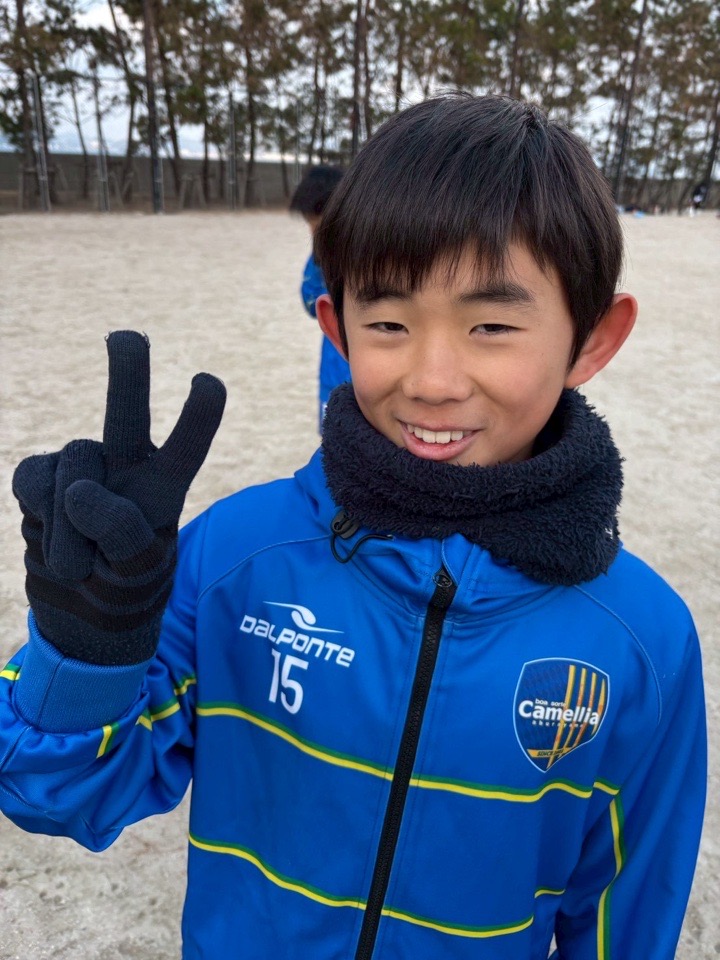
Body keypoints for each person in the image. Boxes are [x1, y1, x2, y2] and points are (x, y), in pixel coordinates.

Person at [0, 95, 706, 960]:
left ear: (592, 339)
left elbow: (625, 920)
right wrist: (84, 654)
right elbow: (55, 793)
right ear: (337, 328)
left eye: (491, 325)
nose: (433, 379)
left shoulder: (642, 640)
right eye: (390, 324)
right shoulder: (235, 558)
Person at [290, 164, 351, 430]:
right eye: (310, 225)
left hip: (368, 368)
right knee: (334, 437)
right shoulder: (318, 259)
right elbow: (309, 302)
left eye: (320, 225)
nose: (314, 234)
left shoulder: (374, 257)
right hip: (334, 365)